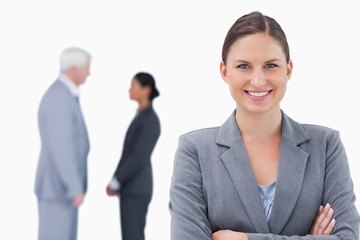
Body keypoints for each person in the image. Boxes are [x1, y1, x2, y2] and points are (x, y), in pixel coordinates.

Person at [169, 11, 359, 240]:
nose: (258, 80)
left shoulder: (326, 145)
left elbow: (348, 238)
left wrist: (244, 239)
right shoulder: (195, 151)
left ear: (288, 70)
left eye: (270, 65)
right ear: (224, 71)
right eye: (243, 66)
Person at [34, 47, 91, 240]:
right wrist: (74, 187)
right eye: (87, 68)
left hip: (60, 190)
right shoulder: (60, 97)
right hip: (58, 190)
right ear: (74, 68)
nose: (89, 73)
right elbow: (61, 148)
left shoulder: (65, 94)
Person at [106, 72, 161, 240]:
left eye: (133, 85)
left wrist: (116, 180)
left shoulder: (150, 119)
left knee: (132, 236)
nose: (130, 89)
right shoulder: (141, 117)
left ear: (146, 90)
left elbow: (138, 156)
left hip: (136, 188)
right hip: (131, 187)